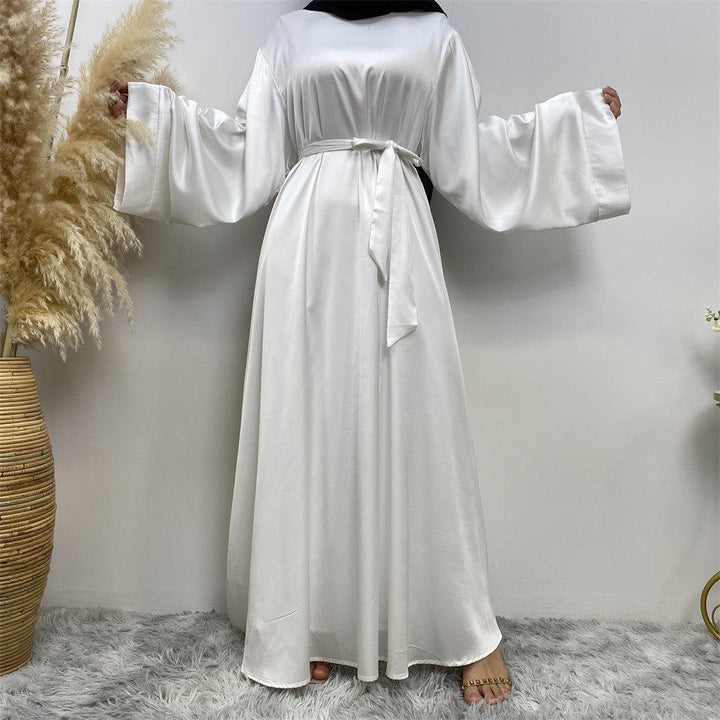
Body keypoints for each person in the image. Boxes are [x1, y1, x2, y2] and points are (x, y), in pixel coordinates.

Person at [109, 1, 628, 707]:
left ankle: (469, 628)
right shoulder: (292, 33)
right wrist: (152, 118)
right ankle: (309, 620)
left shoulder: (435, 34)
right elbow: (244, 150)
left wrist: (576, 127)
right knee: (311, 421)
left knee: (422, 418)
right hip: (305, 239)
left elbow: (473, 155)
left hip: (401, 234)